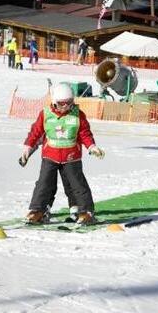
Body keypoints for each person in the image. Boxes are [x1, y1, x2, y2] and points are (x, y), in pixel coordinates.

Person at [20, 82, 104, 225]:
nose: (65, 107)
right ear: (54, 102)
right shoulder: (45, 114)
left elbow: (84, 133)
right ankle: (38, 210)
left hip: (71, 156)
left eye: (69, 103)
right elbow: (36, 132)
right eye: (61, 104)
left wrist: (92, 147)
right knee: (44, 183)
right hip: (50, 154)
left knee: (77, 184)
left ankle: (85, 212)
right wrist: (28, 147)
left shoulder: (77, 115)